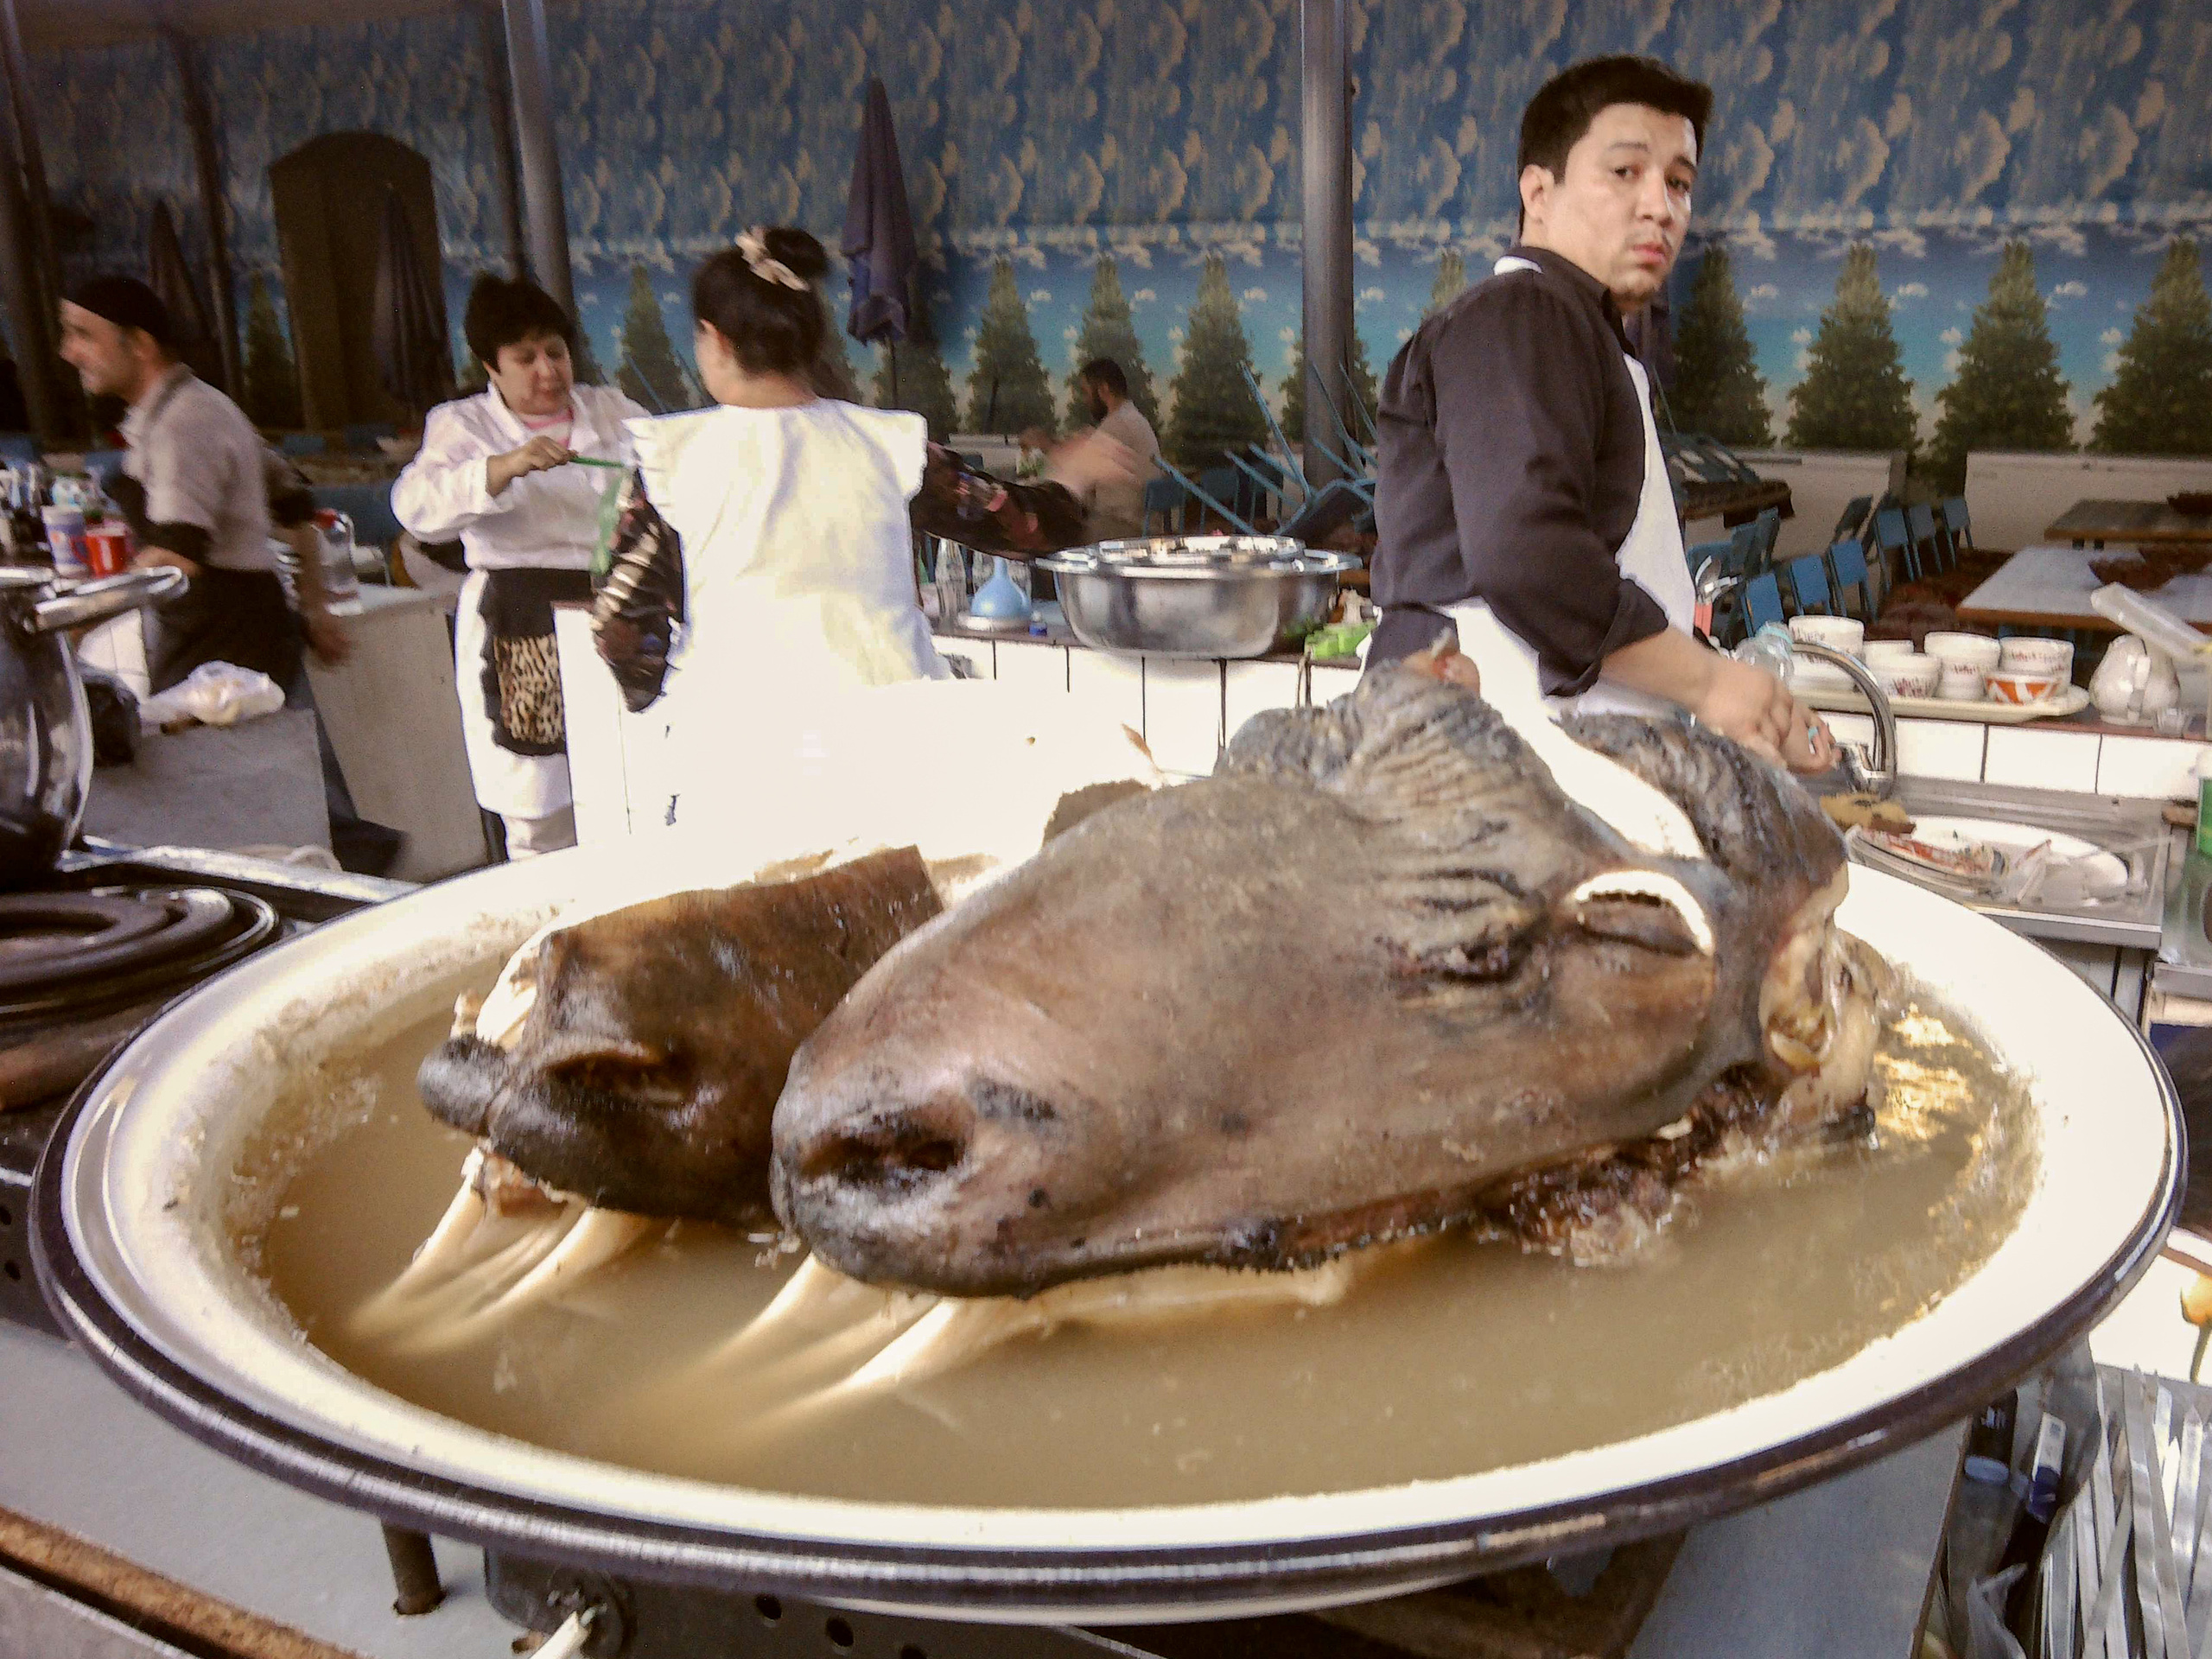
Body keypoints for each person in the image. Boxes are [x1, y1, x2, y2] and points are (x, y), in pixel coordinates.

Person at [1364, 56, 1833, 775]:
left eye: (1679, 182)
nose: (1661, 206)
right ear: (1538, 192)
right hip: (1486, 764)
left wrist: (1728, 690)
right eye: (1625, 172)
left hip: (1550, 769)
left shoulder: (1584, 333)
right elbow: (1529, 552)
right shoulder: (1521, 314)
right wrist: (1707, 684)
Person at [588, 227, 1128, 825]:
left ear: (714, 339)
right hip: (891, 748)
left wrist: (671, 681)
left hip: (740, 765)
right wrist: (1070, 479)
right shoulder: (887, 447)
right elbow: (1017, 523)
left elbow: (618, 624)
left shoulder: (672, 461)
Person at [391, 276, 648, 858]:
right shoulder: (463, 426)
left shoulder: (611, 412)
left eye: (555, 352)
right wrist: (503, 467)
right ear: (491, 365)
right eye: (524, 358)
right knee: (540, 807)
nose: (547, 372)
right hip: (518, 618)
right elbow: (417, 508)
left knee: (627, 786)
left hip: (612, 607)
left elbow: (664, 471)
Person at [56, 276, 348, 691]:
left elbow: (179, 554)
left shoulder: (183, 423)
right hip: (237, 632)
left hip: (225, 646)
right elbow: (294, 503)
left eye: (82, 334)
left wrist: (76, 622)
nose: (68, 352)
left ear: (140, 344)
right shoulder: (198, 404)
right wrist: (315, 611)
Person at [1069, 358, 1158, 542]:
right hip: (1143, 523)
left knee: (1061, 537)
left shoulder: (1116, 425)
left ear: (1103, 389)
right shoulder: (1134, 418)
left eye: (1086, 392)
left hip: (1124, 527)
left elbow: (1077, 479)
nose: (1085, 400)